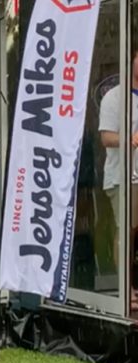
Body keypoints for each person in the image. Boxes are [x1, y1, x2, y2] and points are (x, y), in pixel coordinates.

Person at [100, 49, 138, 307]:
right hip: (124, 178)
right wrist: (131, 141)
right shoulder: (115, 97)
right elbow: (106, 137)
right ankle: (126, 289)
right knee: (127, 231)